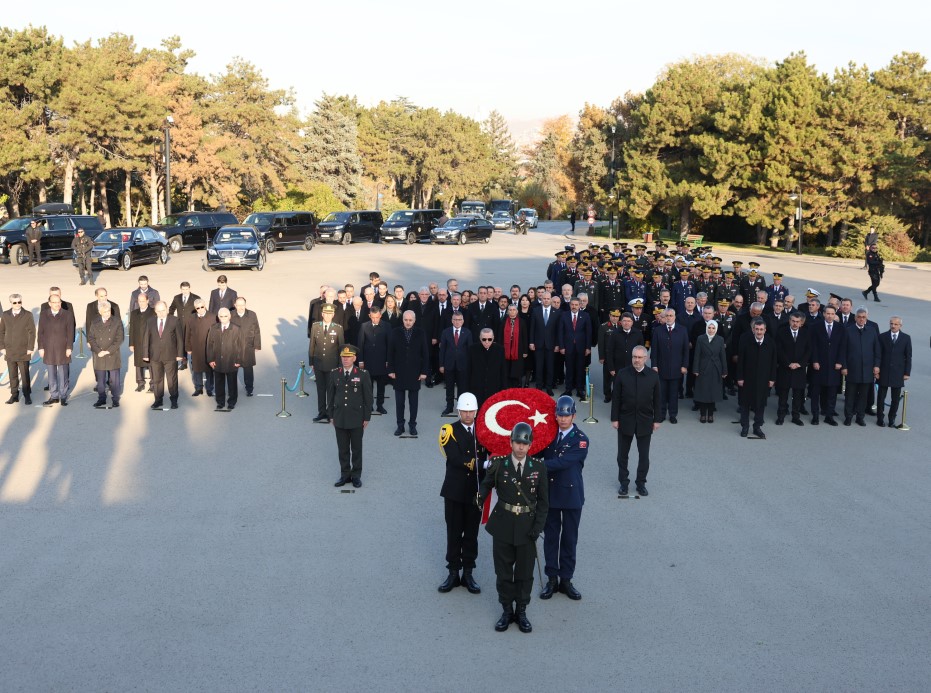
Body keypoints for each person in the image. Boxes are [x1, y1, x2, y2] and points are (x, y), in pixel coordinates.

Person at [478, 422, 549, 633]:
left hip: (527, 528)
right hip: (503, 525)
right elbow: (486, 483)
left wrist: (538, 527)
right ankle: (507, 610)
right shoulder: (499, 464)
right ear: (510, 442)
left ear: (530, 445)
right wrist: (480, 496)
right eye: (517, 442)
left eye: (524, 443)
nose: (520, 447)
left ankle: (522, 611)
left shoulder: (538, 467)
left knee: (525, 574)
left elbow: (544, 502)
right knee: (503, 572)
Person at [539, 396, 587, 601]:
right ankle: (552, 578)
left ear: (574, 415)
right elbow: (536, 448)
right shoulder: (548, 434)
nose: (563, 419)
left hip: (571, 496)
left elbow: (563, 462)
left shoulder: (580, 439)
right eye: (559, 415)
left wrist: (537, 465)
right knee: (551, 538)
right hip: (550, 493)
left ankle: (566, 579)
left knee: (569, 539)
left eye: (566, 415)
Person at [438, 392, 484, 594]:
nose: (467, 414)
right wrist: (482, 464)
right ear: (458, 411)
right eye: (464, 411)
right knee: (454, 532)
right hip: (455, 491)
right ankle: (453, 572)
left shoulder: (482, 432)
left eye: (471, 411)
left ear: (476, 411)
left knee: (471, 534)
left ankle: (468, 573)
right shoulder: (449, 430)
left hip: (475, 491)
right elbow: (455, 458)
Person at [611, 346, 661, 496]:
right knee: (622, 455)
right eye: (634, 357)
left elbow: (658, 399)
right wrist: (614, 418)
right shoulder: (622, 374)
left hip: (645, 421)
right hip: (625, 420)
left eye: (639, 357)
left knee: (644, 456)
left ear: (646, 359)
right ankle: (624, 483)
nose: (636, 360)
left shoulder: (653, 376)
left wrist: (657, 420)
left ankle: (641, 483)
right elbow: (616, 398)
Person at [327, 345, 372, 488]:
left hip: (357, 417)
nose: (345, 360)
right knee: (343, 449)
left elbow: (368, 398)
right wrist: (331, 415)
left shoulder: (363, 374)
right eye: (343, 357)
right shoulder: (334, 373)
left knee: (357, 449)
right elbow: (331, 396)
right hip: (340, 417)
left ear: (354, 358)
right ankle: (345, 475)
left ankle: (356, 475)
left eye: (348, 357)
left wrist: (367, 417)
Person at [387, 310, 429, 437]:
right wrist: (391, 370)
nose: (408, 322)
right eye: (406, 320)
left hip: (415, 372)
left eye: (410, 320)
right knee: (399, 402)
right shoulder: (395, 332)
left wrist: (424, 372)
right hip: (398, 372)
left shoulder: (420, 333)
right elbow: (390, 352)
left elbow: (425, 353)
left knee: (413, 402)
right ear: (403, 320)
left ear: (414, 320)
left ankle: (412, 425)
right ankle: (400, 425)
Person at [736, 318, 777, 438]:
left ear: (765, 330)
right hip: (747, 378)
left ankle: (757, 427)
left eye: (761, 329)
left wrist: (772, 379)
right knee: (745, 403)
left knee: (760, 403)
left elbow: (774, 362)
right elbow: (740, 361)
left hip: (763, 379)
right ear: (753, 330)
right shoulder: (746, 341)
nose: (759, 332)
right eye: (757, 329)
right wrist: (740, 377)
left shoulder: (770, 342)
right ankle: (745, 426)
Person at [142, 300, 185, 410]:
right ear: (155, 311)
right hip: (155, 356)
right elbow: (146, 338)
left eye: (163, 310)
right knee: (157, 379)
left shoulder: (174, 320)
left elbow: (180, 339)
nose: (161, 313)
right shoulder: (150, 321)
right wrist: (145, 354)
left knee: (172, 379)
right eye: (158, 311)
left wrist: (180, 354)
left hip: (171, 355)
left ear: (167, 309)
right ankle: (158, 400)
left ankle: (174, 399)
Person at [843, 308, 880, 426]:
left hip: (867, 370)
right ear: (855, 318)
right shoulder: (848, 330)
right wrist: (844, 366)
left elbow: (877, 351)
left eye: (863, 317)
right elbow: (843, 351)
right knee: (850, 395)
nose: (861, 319)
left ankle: (860, 417)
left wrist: (877, 366)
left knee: (864, 396)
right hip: (852, 369)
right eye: (859, 317)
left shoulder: (872, 331)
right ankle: (848, 416)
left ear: (866, 318)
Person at [810, 305, 846, 426]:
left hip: (834, 366)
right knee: (816, 392)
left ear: (835, 314)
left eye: (832, 314)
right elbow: (813, 345)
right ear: (824, 314)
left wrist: (840, 361)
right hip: (819, 365)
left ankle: (829, 416)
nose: (830, 316)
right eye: (828, 313)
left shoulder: (840, 328)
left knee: (832, 393)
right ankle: (815, 416)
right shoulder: (816, 326)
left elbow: (842, 346)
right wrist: (814, 360)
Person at [651, 309, 689, 423]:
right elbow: (654, 349)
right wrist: (654, 365)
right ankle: (661, 414)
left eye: (671, 315)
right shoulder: (658, 330)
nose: (668, 317)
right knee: (661, 393)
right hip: (661, 367)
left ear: (675, 317)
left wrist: (684, 365)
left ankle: (673, 414)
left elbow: (686, 350)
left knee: (673, 393)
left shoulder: (682, 330)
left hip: (677, 367)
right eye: (666, 316)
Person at [308, 303, 345, 423]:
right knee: (320, 389)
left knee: (331, 390)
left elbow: (341, 348)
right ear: (322, 314)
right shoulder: (315, 326)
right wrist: (311, 361)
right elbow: (312, 345)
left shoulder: (338, 328)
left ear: (333, 315)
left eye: (330, 314)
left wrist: (341, 365)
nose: (327, 316)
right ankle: (321, 412)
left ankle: (330, 413)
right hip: (318, 363)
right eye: (325, 313)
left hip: (332, 364)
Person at [37, 294, 75, 406]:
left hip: (63, 348)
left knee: (63, 373)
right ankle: (54, 396)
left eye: (59, 302)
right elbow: (40, 332)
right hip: (48, 348)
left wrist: (69, 347)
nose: (57, 304)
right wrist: (41, 347)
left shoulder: (67, 314)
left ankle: (63, 396)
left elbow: (70, 332)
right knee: (51, 374)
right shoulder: (44, 314)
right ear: (49, 303)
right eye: (54, 302)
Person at [774, 312, 811, 426]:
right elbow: (779, 350)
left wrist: (800, 364)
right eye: (793, 321)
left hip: (799, 369)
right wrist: (788, 363)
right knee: (783, 394)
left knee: (798, 394)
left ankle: (796, 416)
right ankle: (781, 416)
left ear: (801, 323)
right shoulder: (782, 332)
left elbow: (808, 350)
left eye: (797, 322)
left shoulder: (806, 333)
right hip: (785, 368)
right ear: (789, 321)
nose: (795, 324)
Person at [0, 294, 36, 405]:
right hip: (10, 350)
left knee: (25, 374)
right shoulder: (5, 315)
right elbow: (1, 332)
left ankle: (27, 395)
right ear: (10, 303)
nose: (17, 304)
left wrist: (30, 347)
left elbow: (32, 332)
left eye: (19, 302)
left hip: (23, 350)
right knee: (13, 375)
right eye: (14, 302)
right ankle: (14, 395)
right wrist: (2, 347)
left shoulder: (28, 315)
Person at [877, 316, 912, 428]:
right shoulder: (882, 336)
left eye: (896, 324)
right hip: (883, 371)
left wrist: (907, 373)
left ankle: (891, 419)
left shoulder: (906, 338)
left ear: (900, 326)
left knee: (895, 399)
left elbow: (908, 356)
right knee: (881, 397)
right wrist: (876, 369)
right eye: (891, 323)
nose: (893, 326)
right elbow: (878, 355)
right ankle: (880, 418)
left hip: (898, 373)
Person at [206, 308, 244, 411]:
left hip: (232, 361)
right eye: (221, 316)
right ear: (218, 317)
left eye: (225, 316)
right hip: (217, 361)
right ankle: (220, 402)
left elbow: (241, 346)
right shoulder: (213, 328)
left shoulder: (236, 329)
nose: (223, 318)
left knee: (232, 383)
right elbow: (209, 345)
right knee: (219, 383)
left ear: (230, 316)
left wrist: (238, 360)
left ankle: (232, 401)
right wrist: (211, 359)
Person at [87, 302, 124, 408]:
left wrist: (108, 351)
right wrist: (99, 351)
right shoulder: (94, 322)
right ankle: (101, 398)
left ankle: (115, 399)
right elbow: (91, 338)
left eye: (108, 311)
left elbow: (119, 339)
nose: (107, 313)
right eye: (105, 312)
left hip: (112, 354)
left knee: (114, 380)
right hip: (99, 355)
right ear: (100, 312)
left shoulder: (117, 321)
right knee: (101, 380)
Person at [692, 320, 727, 423]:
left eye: (713, 328)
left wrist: (724, 370)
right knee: (703, 391)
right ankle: (703, 414)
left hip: (716, 368)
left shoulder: (720, 339)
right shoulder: (700, 338)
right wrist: (696, 369)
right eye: (709, 328)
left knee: (713, 392)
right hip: (703, 367)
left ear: (716, 329)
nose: (711, 330)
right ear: (706, 328)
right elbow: (697, 355)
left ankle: (710, 414)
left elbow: (723, 356)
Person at [356, 307, 390, 415]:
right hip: (368, 360)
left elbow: (390, 345)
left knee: (381, 386)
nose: (375, 319)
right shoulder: (364, 326)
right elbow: (360, 344)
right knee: (368, 386)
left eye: (377, 317)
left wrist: (388, 360)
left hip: (381, 361)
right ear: (370, 316)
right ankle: (369, 406)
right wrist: (360, 361)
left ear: (380, 315)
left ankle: (380, 406)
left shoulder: (387, 326)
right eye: (373, 317)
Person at [558, 297, 592, 400]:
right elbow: (560, 332)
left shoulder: (585, 316)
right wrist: (562, 346)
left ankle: (579, 389)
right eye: (572, 304)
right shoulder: (564, 315)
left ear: (579, 305)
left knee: (580, 368)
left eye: (576, 305)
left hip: (581, 348)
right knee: (569, 368)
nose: (574, 306)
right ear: (570, 305)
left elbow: (588, 333)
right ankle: (568, 389)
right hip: (568, 347)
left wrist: (588, 347)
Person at [438, 312, 472, 415]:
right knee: (449, 387)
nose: (457, 322)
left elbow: (470, 350)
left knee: (462, 387)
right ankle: (449, 406)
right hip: (449, 364)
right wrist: (441, 365)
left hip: (463, 365)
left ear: (463, 321)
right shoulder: (446, 332)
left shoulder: (467, 333)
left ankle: (461, 407)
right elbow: (442, 350)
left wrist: (470, 366)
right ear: (452, 320)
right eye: (455, 320)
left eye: (459, 320)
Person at [468, 328, 507, 408]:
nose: (487, 342)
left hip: (494, 388)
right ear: (480, 338)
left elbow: (503, 371)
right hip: (477, 389)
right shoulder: (472, 349)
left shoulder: (500, 350)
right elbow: (468, 371)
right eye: (484, 339)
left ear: (493, 338)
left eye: (489, 339)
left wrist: (503, 391)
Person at [230, 297, 261, 397]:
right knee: (233, 369)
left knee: (248, 370)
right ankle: (232, 390)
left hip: (248, 345)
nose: (241, 307)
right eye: (239, 305)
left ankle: (249, 389)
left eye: (243, 305)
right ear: (235, 305)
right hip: (234, 347)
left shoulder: (252, 314)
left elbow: (257, 330)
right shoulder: (231, 315)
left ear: (245, 304)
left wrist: (257, 345)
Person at [186, 300, 215, 397]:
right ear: (195, 308)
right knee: (197, 369)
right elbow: (188, 334)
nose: (200, 309)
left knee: (209, 370)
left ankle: (210, 388)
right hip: (196, 348)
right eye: (198, 308)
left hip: (209, 348)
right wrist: (188, 348)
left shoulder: (212, 317)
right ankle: (198, 388)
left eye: (202, 307)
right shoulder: (191, 319)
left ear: (205, 306)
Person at [498, 303, 528, 388]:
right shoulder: (503, 322)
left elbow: (525, 337)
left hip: (518, 348)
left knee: (516, 367)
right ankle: (507, 384)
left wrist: (525, 351)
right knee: (506, 366)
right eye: (510, 310)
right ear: (507, 312)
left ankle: (517, 384)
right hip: (506, 348)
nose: (512, 311)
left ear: (517, 311)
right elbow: (500, 336)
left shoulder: (522, 322)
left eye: (514, 310)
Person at [128, 292, 153, 392]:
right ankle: (140, 383)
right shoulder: (134, 313)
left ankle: (153, 384)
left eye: (143, 301)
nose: (141, 303)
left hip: (150, 342)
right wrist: (131, 343)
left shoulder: (153, 312)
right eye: (139, 301)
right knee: (138, 363)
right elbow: (132, 329)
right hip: (137, 342)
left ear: (147, 301)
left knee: (151, 363)